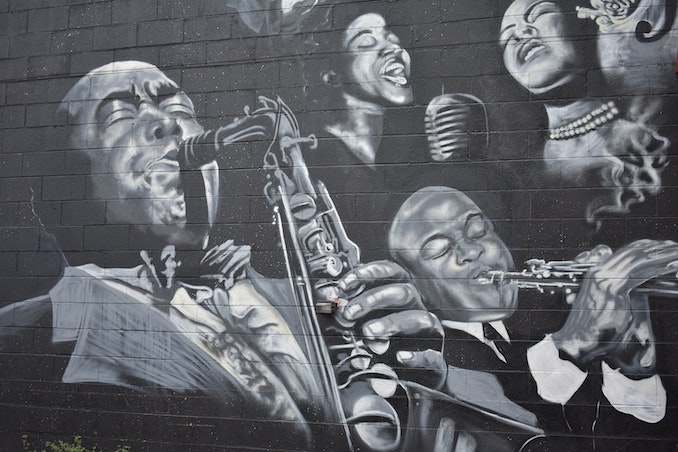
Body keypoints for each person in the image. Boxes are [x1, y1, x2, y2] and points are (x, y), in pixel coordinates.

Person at [0, 61, 449, 451]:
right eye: (119, 113)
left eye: (180, 107)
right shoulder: (27, 333)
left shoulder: (298, 294)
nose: (168, 123)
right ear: (70, 184)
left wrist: (417, 383)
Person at [388, 186, 678, 448]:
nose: (472, 250)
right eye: (440, 251)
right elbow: (521, 426)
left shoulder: (537, 334)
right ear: (417, 288)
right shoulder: (434, 368)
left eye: (477, 231)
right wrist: (570, 346)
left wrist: (634, 367)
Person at [499, 0, 670, 229]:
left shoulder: (647, 138)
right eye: (507, 38)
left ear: (582, 24)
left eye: (539, 13)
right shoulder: (523, 174)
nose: (521, 33)